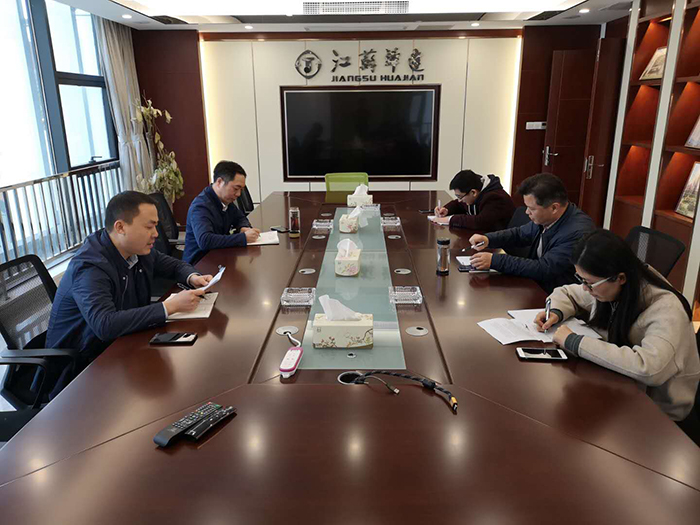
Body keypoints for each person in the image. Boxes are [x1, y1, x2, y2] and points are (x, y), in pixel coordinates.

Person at [535, 229, 700, 427]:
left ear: (620, 278)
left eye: (589, 283)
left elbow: (649, 368)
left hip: (658, 414)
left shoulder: (667, 309)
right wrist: (556, 311)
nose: (585, 288)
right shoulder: (610, 287)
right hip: (619, 388)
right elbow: (567, 293)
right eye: (581, 280)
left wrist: (575, 341)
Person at [47, 191, 213, 364]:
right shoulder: (90, 267)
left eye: (156, 226)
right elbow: (105, 324)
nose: (156, 234)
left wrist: (193, 277)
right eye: (149, 227)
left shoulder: (137, 250)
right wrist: (169, 307)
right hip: (83, 365)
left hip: (123, 344)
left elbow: (176, 266)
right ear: (120, 227)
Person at [469, 173, 594, 292]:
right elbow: (520, 234)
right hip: (536, 285)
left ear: (554, 208)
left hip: (556, 295)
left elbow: (544, 268)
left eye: (532, 208)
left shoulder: (577, 233)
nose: (527, 212)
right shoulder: (547, 219)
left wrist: (495, 261)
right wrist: (488, 239)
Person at [183, 161, 260, 264]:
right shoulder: (200, 207)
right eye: (236, 188)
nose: (238, 194)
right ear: (219, 182)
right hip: (200, 263)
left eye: (241, 189)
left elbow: (240, 218)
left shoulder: (225, 201)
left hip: (219, 256)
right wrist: (243, 238)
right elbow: (205, 241)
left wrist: (243, 227)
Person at [432, 169, 515, 232]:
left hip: (501, 244)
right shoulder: (477, 192)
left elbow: (480, 222)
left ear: (473, 192)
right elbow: (459, 204)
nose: (459, 200)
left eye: (460, 197)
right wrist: (446, 209)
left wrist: (450, 219)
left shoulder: (495, 198)